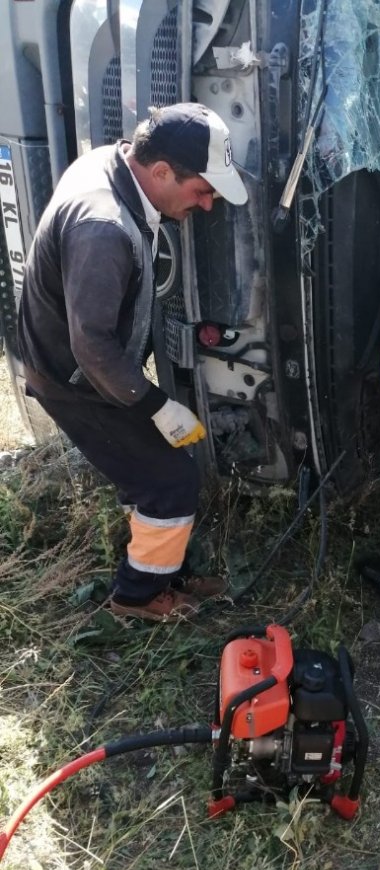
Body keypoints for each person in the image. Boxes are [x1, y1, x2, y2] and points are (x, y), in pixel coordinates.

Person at [16, 103, 249, 621]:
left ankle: (163, 567)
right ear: (161, 171)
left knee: (153, 472)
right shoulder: (104, 228)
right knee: (169, 481)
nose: (207, 205)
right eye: (202, 191)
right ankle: (137, 596)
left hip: (90, 373)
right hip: (75, 382)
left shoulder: (112, 164)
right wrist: (156, 405)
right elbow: (92, 344)